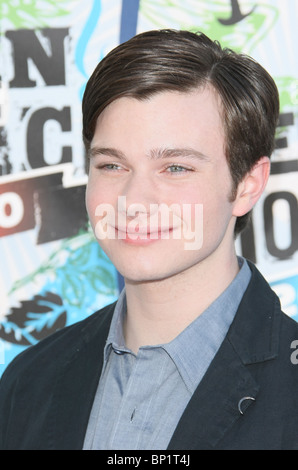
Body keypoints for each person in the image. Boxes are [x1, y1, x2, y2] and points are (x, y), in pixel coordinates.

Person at [0, 29, 298, 450]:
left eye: (175, 168)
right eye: (111, 165)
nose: (133, 200)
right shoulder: (29, 381)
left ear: (248, 185)